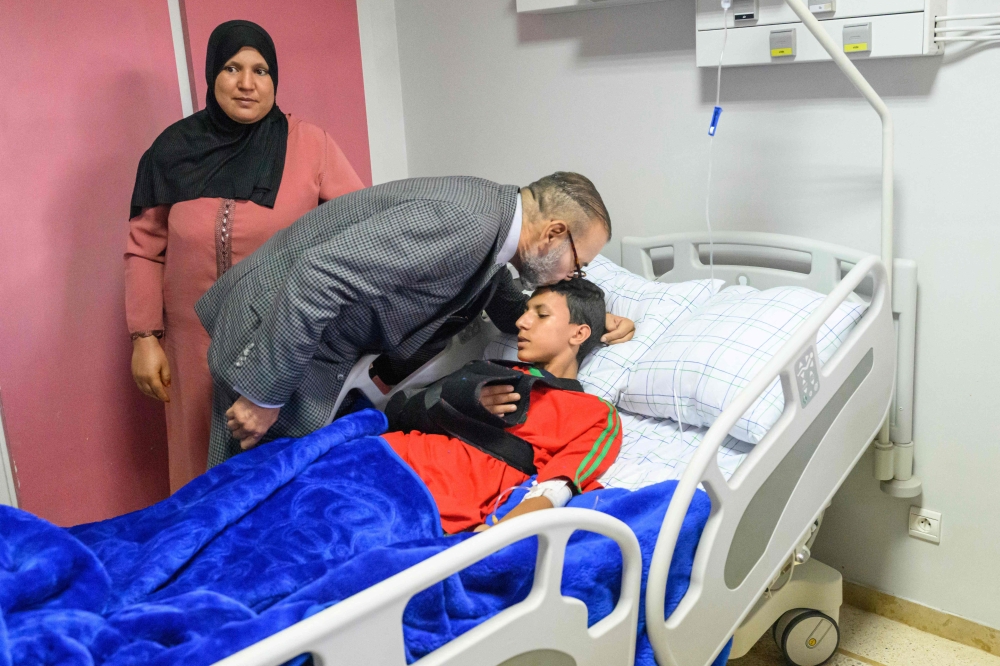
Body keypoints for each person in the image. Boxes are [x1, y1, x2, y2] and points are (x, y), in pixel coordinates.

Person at [196, 172, 635, 466]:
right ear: (554, 232)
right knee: (248, 490)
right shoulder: (467, 225)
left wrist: (591, 323)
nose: (569, 276)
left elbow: (506, 306)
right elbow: (318, 278)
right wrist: (264, 393)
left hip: (300, 332)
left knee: (261, 493)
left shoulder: (492, 236)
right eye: (576, 265)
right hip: (275, 332)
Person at [125, 20, 364, 491]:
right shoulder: (172, 150)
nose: (247, 83)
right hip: (192, 346)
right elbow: (143, 250)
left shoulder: (309, 144)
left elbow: (359, 226)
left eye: (261, 70)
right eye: (233, 68)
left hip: (278, 339)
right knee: (199, 471)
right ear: (213, 75)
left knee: (274, 471)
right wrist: (144, 337)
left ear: (275, 79)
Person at [383, 278, 621, 534]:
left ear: (579, 333)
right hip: (382, 458)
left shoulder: (595, 413)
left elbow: (557, 484)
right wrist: (462, 398)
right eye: (525, 311)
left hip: (429, 505)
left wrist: (500, 533)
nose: (521, 322)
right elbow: (398, 409)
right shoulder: (484, 371)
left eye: (541, 314)